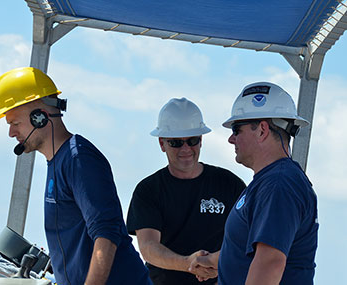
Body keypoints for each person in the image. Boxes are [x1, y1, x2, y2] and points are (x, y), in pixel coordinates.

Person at [0, 67, 152, 285]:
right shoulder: (59, 161)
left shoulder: (79, 159)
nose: (11, 132)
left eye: (14, 123)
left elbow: (106, 234)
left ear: (39, 117)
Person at [192, 82, 319, 284]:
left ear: (262, 130)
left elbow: (270, 262)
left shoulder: (278, 185)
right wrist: (211, 261)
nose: (231, 139)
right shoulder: (270, 183)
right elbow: (250, 250)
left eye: (236, 130)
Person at [126, 97, 246, 284]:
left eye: (192, 141)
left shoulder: (230, 184)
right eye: (176, 142)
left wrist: (218, 264)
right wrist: (189, 263)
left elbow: (247, 240)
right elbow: (149, 247)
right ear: (162, 144)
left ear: (201, 141)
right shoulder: (148, 190)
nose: (186, 149)